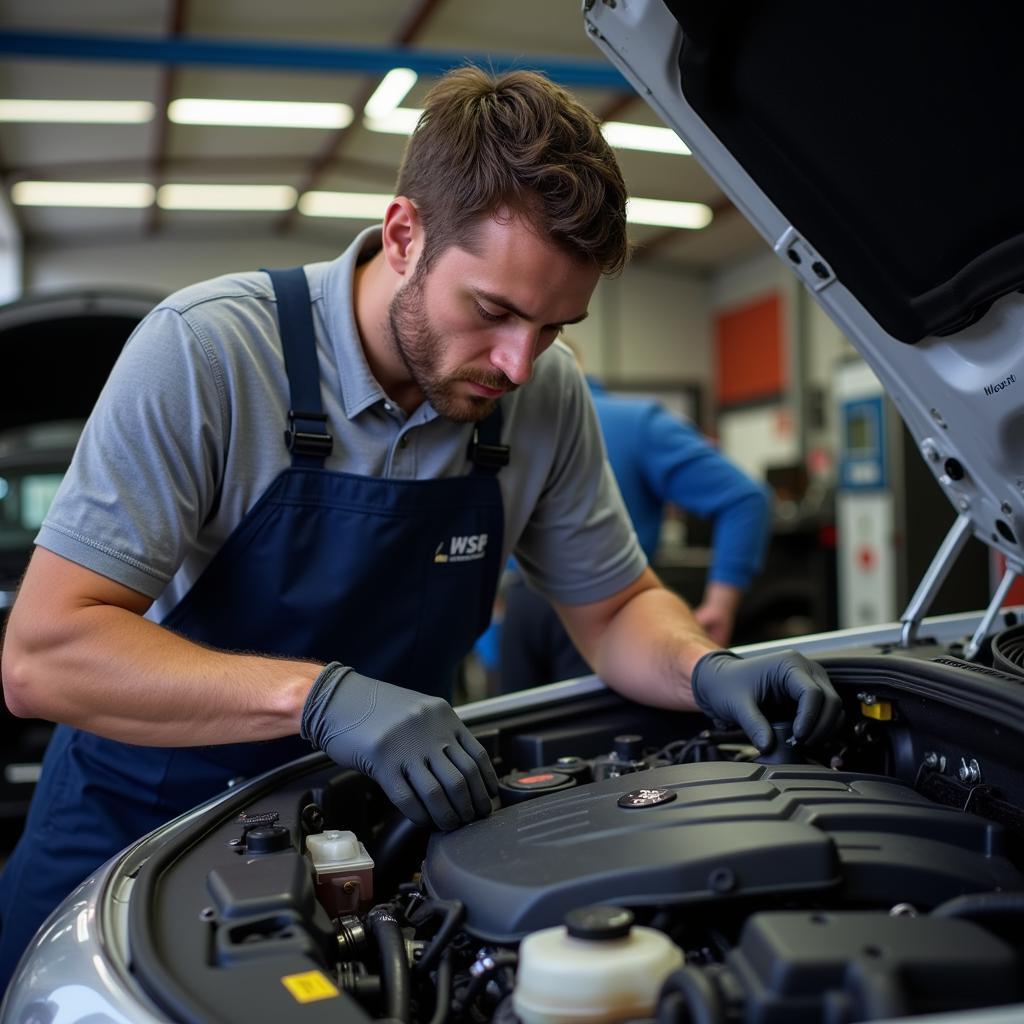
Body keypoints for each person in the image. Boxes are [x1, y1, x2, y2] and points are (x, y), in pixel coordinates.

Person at [0, 67, 840, 984]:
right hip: (134, 842)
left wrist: (704, 670)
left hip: (371, 833)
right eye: (494, 311)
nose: (521, 363)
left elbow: (612, 608)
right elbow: (45, 656)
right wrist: (324, 699)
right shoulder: (209, 352)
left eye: (555, 326)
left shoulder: (542, 397)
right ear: (405, 236)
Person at [500, 364, 773, 690]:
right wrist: (720, 605)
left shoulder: (506, 421)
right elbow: (744, 497)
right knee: (594, 731)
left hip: (531, 605)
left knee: (507, 728)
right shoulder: (637, 423)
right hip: (607, 607)